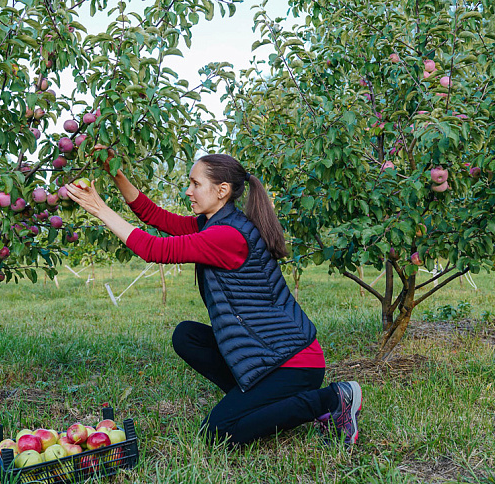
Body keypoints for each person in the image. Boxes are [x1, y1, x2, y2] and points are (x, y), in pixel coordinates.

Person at [65, 153, 362, 446]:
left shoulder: (227, 236)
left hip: (293, 362)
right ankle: (260, 404)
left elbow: (154, 249)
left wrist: (99, 208)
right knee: (187, 336)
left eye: (195, 184)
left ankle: (331, 399)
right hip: (270, 355)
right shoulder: (214, 223)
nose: (188, 191)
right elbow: (155, 217)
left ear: (222, 191)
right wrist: (116, 172)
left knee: (219, 433)